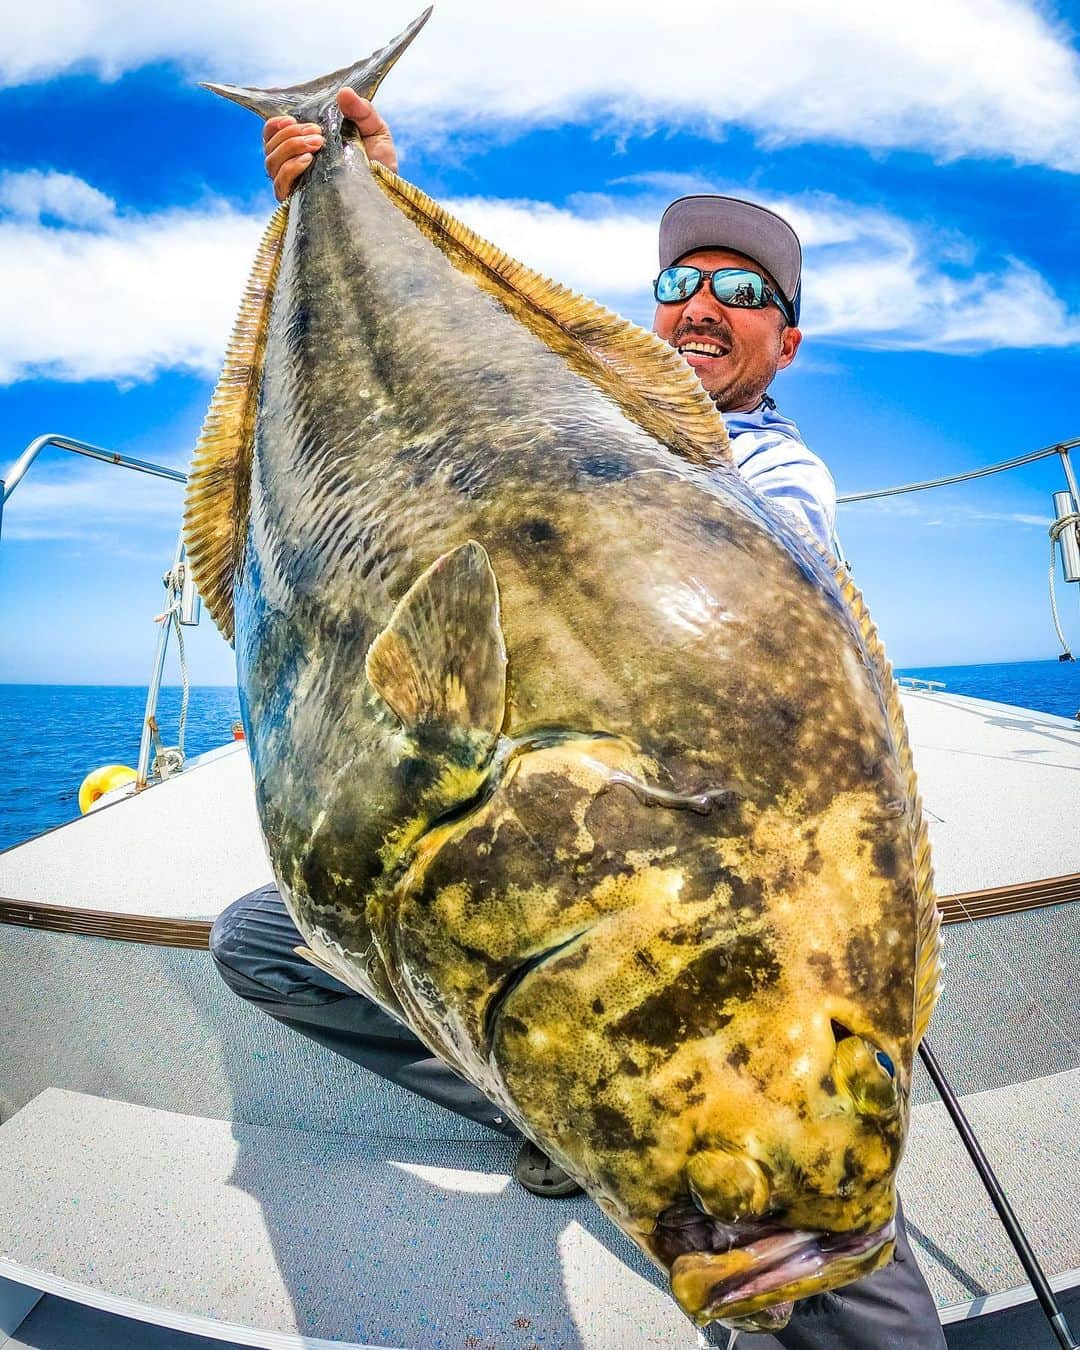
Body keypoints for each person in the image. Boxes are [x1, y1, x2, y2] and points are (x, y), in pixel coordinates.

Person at [210, 92, 946, 1350]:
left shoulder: (761, 473)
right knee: (259, 943)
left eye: (747, 293)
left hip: (710, 894)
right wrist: (353, 186)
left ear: (787, 345)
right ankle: (547, 1108)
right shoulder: (570, 392)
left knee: (792, 1175)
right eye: (683, 282)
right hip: (504, 847)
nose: (706, 306)